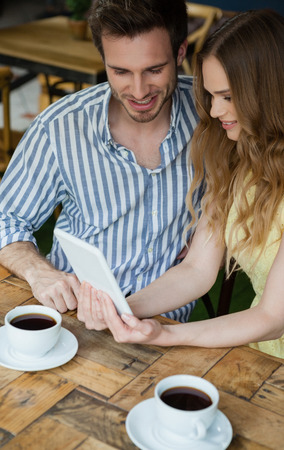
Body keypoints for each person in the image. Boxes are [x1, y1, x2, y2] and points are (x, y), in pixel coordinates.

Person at [0, 0, 202, 324]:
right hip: (75, 316)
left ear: (181, 52)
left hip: (166, 327)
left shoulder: (213, 114)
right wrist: (38, 271)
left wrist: (211, 229)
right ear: (103, 60)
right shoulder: (60, 127)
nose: (139, 91)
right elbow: (0, 219)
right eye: (121, 71)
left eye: (154, 69)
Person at [89, 9, 284, 358]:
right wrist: (125, 309)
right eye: (210, 96)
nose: (212, 111)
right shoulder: (238, 156)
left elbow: (273, 317)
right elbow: (197, 269)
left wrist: (165, 335)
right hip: (266, 350)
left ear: (267, 91)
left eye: (226, 97)